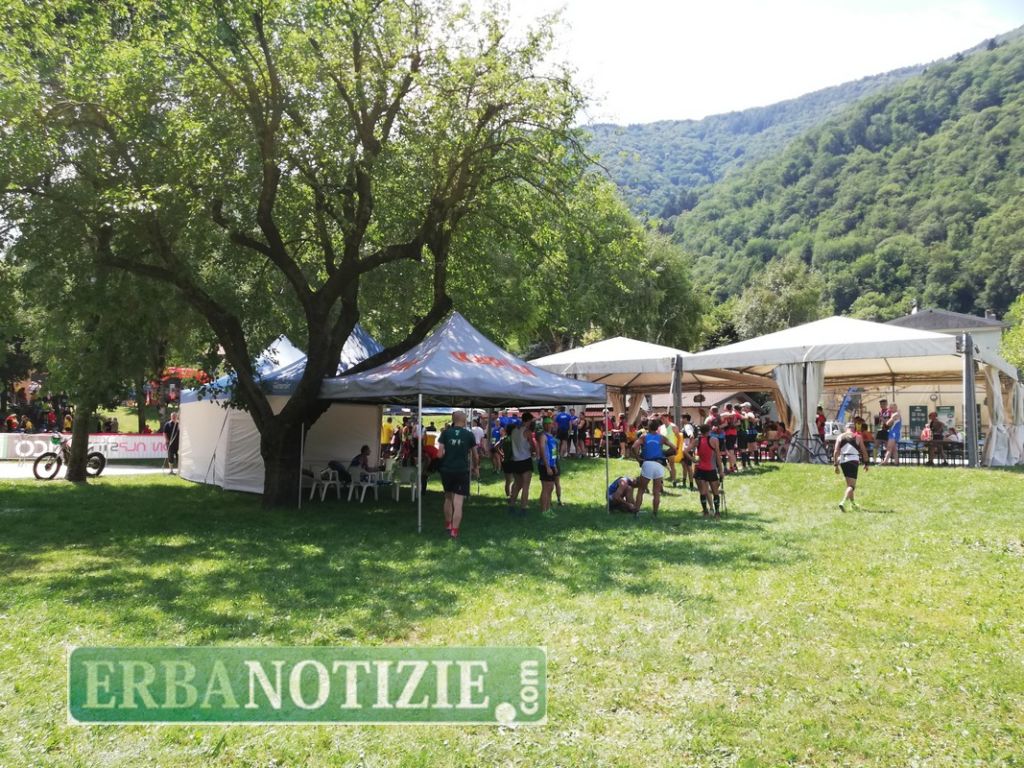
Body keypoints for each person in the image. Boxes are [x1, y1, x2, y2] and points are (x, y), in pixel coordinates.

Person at [436, 410, 478, 539]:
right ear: (464, 421)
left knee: (448, 498)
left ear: (453, 420)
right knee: (458, 502)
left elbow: (439, 454)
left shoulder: (445, 433)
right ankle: (454, 532)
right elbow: (475, 455)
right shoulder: (469, 434)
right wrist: (476, 467)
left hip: (447, 470)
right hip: (461, 470)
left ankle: (448, 525)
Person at [631, 418, 675, 517]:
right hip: (659, 464)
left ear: (648, 427)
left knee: (641, 490)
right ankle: (655, 514)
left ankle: (636, 512)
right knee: (656, 492)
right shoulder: (662, 438)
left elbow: (633, 447)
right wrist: (663, 454)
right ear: (657, 427)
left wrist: (638, 458)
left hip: (647, 463)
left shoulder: (644, 437)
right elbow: (674, 448)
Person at [833, 421, 869, 512]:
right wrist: (866, 463)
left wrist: (835, 465)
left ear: (846, 428)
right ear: (854, 428)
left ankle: (853, 504)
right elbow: (864, 451)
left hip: (843, 461)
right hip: (853, 460)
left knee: (849, 484)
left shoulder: (840, 436)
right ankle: (843, 502)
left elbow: (836, 451)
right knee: (852, 486)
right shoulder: (858, 437)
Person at [507, 411, 536, 516]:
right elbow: (533, 446)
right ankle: (523, 508)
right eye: (531, 421)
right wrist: (534, 450)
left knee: (517, 485)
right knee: (525, 486)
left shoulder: (514, 430)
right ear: (528, 420)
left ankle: (511, 505)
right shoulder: (527, 432)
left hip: (515, 460)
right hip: (525, 460)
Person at [694, 423, 722, 518]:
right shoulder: (714, 440)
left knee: (702, 492)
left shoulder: (697, 440)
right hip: (711, 469)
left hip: (700, 469)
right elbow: (718, 456)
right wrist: (721, 470)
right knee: (715, 492)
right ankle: (717, 512)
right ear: (709, 430)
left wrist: (693, 459)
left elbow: (685, 451)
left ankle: (705, 511)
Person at [537, 417, 560, 515]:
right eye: (547, 424)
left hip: (552, 465)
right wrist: (547, 466)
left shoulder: (551, 437)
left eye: (550, 424)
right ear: (544, 425)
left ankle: (548, 509)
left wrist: (554, 465)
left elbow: (554, 452)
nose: (549, 425)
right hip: (544, 465)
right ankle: (544, 511)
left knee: (550, 488)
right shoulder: (543, 436)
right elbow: (542, 451)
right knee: (546, 488)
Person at [659, 412, 682, 487]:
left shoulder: (673, 426)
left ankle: (674, 481)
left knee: (672, 465)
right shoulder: (661, 427)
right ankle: (661, 481)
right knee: (660, 465)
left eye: (663, 418)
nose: (662, 420)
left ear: (667, 418)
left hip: (671, 449)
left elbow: (679, 437)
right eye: (661, 419)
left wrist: (677, 448)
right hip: (662, 449)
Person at [679, 413, 697, 490]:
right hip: (684, 449)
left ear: (686, 419)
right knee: (684, 466)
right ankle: (684, 482)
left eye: (682, 418)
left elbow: (691, 436)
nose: (681, 420)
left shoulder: (687, 426)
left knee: (689, 467)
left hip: (687, 449)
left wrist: (690, 447)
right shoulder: (686, 426)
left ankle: (691, 484)